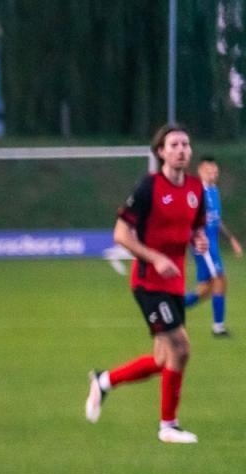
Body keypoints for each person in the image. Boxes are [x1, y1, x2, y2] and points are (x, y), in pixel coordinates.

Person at [85, 124, 209, 444]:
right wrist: (153, 257)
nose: (182, 149)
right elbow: (120, 234)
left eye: (186, 144)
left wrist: (199, 241)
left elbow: (195, 229)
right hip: (148, 283)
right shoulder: (148, 187)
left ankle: (104, 381)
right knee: (181, 349)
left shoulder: (196, 189)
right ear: (161, 152)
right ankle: (168, 426)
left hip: (175, 284)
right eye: (174, 145)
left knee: (162, 359)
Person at [183, 155, 241, 337]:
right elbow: (186, 220)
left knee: (205, 289)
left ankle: (174, 306)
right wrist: (191, 241)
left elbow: (216, 220)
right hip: (204, 246)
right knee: (220, 280)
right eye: (210, 171)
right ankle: (218, 327)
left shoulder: (213, 191)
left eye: (216, 171)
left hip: (213, 244)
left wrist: (231, 239)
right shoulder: (195, 193)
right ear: (200, 170)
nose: (214, 174)